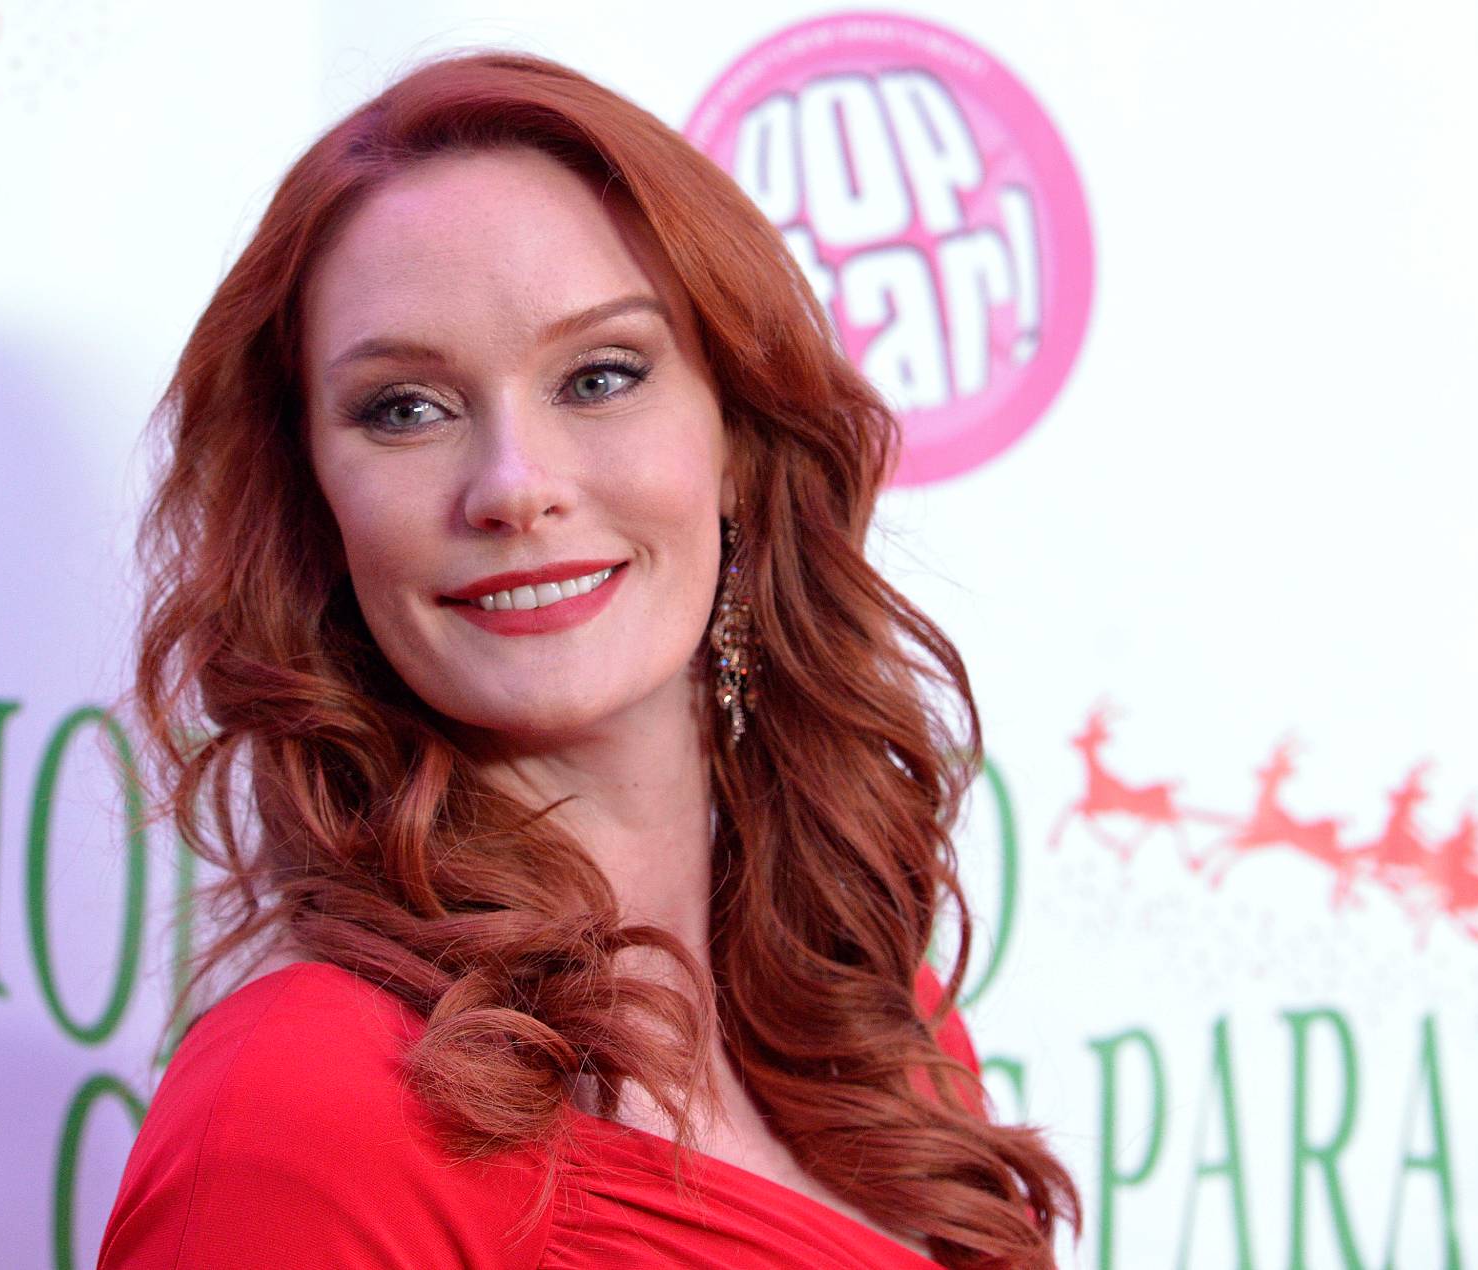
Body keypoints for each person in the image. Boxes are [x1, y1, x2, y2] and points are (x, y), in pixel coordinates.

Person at [98, 49, 1079, 1269]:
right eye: (404, 407)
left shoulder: (874, 1015)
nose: (514, 485)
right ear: (314, 506)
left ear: (735, 437)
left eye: (599, 376)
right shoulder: (299, 1110)